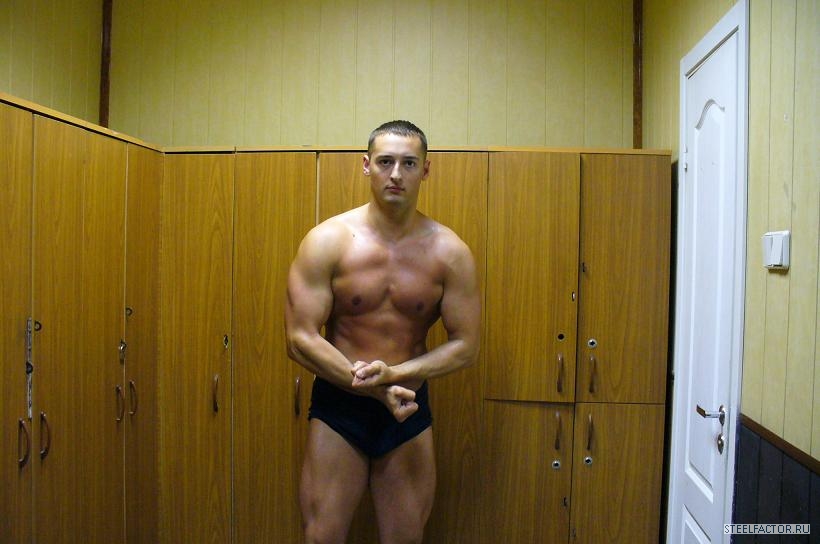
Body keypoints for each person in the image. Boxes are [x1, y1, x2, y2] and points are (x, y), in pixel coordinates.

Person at [285, 120, 481, 544]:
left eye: (409, 163)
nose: (396, 174)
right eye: (385, 162)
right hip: (340, 405)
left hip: (406, 405)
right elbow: (299, 338)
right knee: (321, 537)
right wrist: (375, 388)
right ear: (366, 165)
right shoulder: (328, 241)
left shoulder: (450, 252)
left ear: (425, 170)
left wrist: (395, 376)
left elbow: (466, 346)